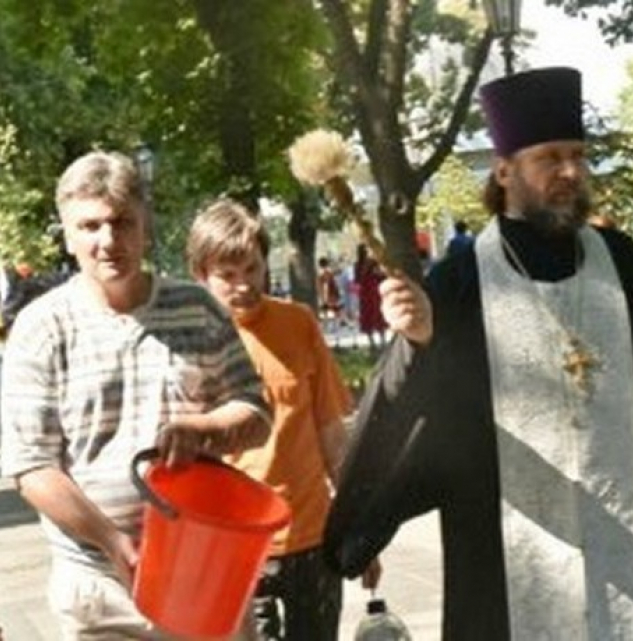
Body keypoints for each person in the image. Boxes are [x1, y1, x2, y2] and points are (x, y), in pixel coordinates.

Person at [323, 67, 633, 640]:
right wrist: (421, 344)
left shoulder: (622, 262)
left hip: (631, 544)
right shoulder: (462, 280)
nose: (571, 172)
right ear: (506, 170)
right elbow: (422, 416)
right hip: (509, 560)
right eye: (551, 158)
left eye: (579, 157)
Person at [0, 151, 271, 640]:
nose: (108, 241)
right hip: (100, 588)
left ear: (145, 223)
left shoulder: (199, 309)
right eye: (89, 226)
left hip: (207, 572)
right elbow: (31, 468)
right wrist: (114, 543)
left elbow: (255, 411)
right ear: (67, 233)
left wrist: (206, 429)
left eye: (122, 222)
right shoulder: (41, 328)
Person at [187, 199, 380, 641]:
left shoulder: (299, 324)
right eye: (227, 275)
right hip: (237, 547)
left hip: (312, 535)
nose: (243, 285)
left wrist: (359, 524)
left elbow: (332, 432)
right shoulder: (192, 342)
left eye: (251, 269)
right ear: (201, 275)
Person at [354, 243, 387, 351]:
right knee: (367, 315)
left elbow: (382, 275)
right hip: (366, 293)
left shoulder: (375, 262)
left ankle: (382, 341)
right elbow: (357, 279)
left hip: (375, 292)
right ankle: (372, 342)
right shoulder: (359, 264)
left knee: (378, 315)